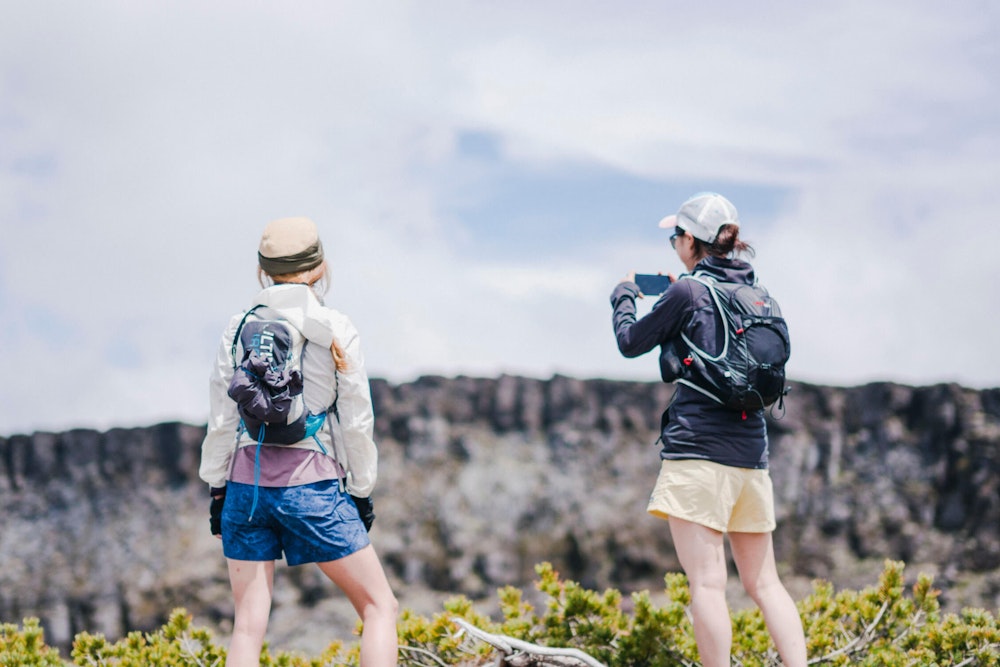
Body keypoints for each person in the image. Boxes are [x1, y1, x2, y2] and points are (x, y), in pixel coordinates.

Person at [609, 193, 806, 667]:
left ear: (691, 241)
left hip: (698, 456)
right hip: (752, 459)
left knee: (708, 583)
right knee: (766, 584)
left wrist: (623, 297)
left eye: (675, 235)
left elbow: (629, 342)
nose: (672, 242)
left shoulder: (687, 293)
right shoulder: (757, 296)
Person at [200, 217, 398, 667]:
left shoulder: (238, 327)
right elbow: (355, 422)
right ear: (319, 267)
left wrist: (216, 487)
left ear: (262, 271)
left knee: (248, 626)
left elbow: (221, 419)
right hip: (312, 488)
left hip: (243, 491)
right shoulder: (334, 326)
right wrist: (361, 491)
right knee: (379, 607)